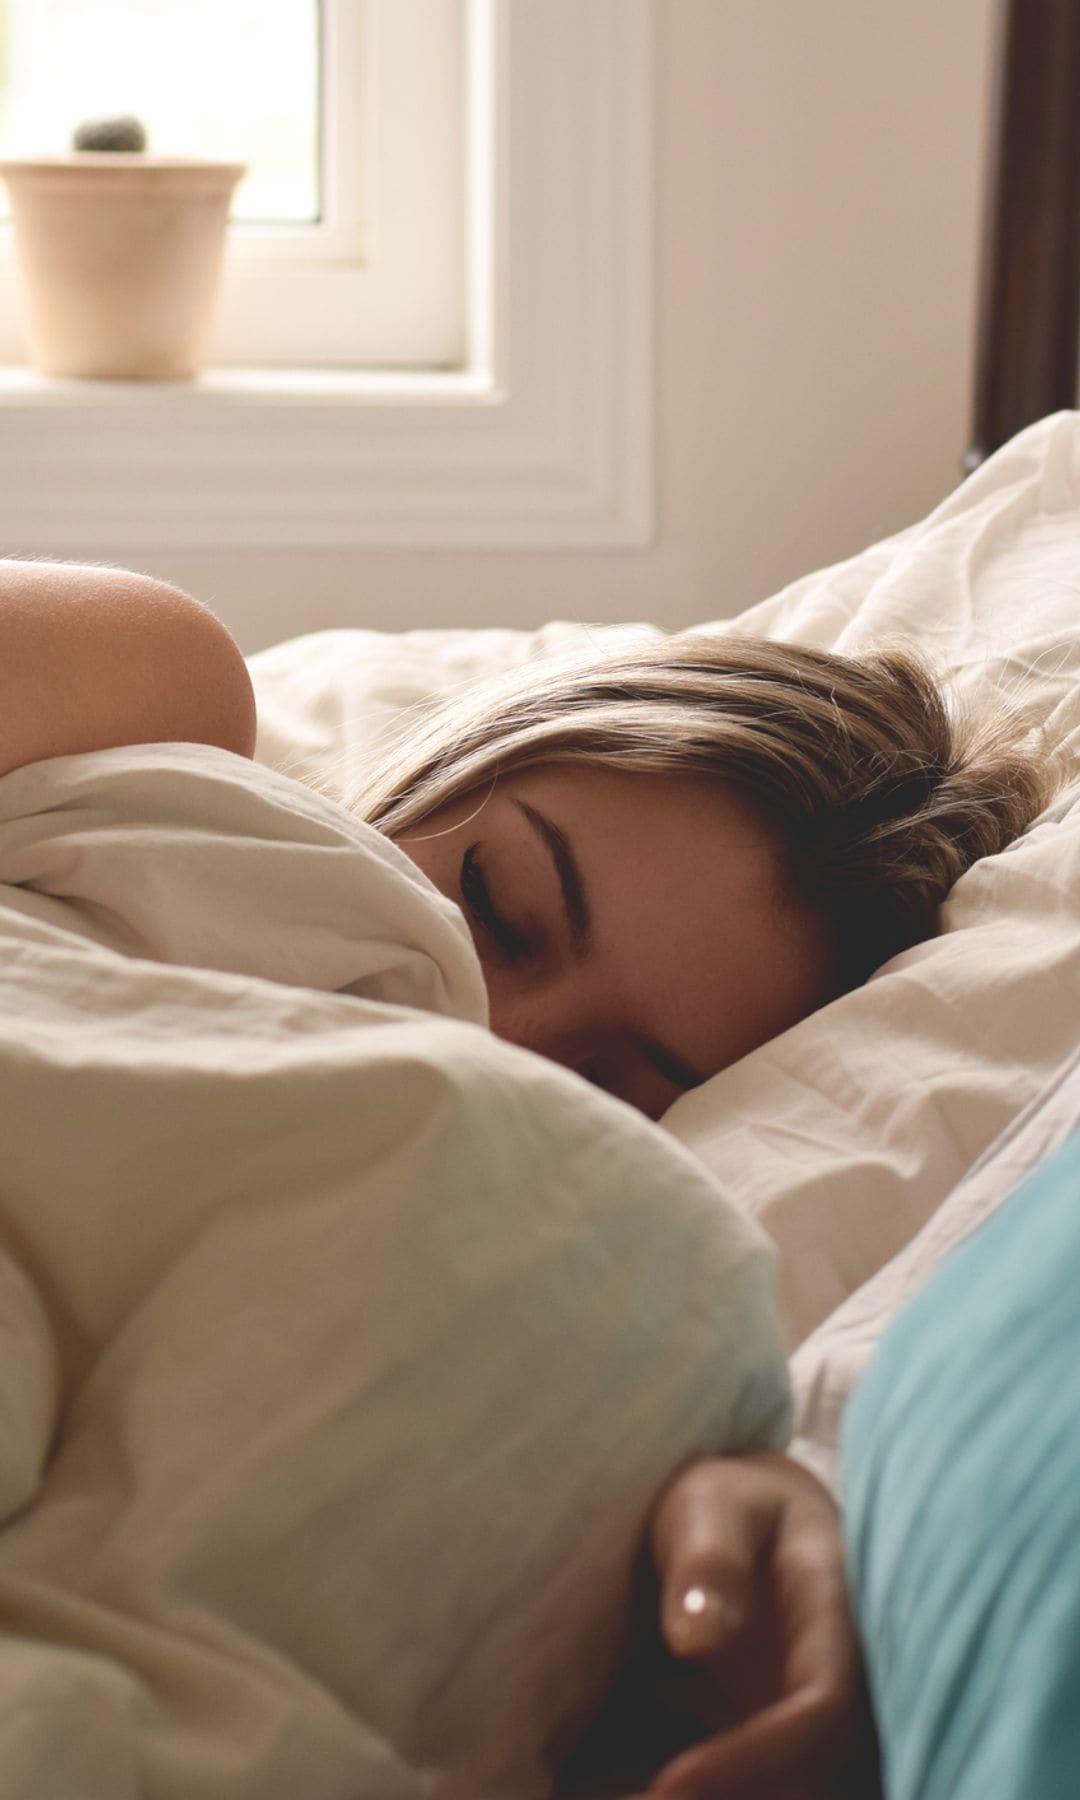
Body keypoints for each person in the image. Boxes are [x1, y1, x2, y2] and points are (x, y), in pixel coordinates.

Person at [0, 558, 1052, 1796]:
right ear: (457, 756)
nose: (477, 1037)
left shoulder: (485, 1254)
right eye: (496, 910)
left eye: (606, 1085)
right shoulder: (153, 693)